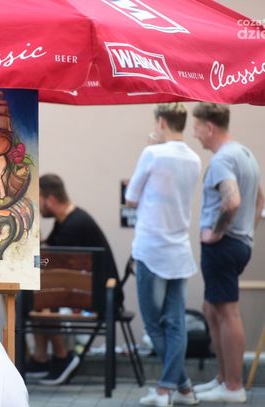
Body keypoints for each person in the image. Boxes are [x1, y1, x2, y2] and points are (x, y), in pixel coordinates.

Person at [125, 103, 201, 406]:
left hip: (151, 248)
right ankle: (182, 388)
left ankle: (165, 389)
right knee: (175, 322)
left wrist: (151, 146)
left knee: (153, 323)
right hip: (179, 249)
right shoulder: (194, 158)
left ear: (160, 122)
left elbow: (131, 198)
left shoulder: (152, 154)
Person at [192, 103, 263, 403]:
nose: (195, 134)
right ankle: (224, 379)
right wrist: (248, 232)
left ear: (209, 127)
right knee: (212, 309)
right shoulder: (245, 154)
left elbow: (232, 201)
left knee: (226, 312)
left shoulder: (222, 159)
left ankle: (234, 387)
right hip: (238, 243)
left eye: (197, 128)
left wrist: (218, 232)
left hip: (223, 245)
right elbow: (259, 200)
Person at [25, 174, 121, 386]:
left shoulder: (74, 225)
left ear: (50, 199)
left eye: (38, 199)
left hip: (99, 298)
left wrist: (28, 260)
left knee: (40, 296)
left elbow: (51, 263)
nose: (36, 205)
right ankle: (41, 359)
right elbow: (50, 252)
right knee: (37, 293)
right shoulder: (68, 220)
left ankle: (62, 357)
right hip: (95, 292)